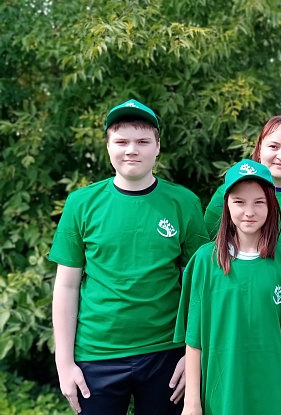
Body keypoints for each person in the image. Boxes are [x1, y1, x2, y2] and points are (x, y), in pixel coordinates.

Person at [49, 99, 209, 415]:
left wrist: (193, 356)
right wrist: (64, 362)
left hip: (167, 354)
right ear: (108, 146)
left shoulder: (183, 202)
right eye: (121, 142)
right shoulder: (81, 203)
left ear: (158, 147)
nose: (131, 150)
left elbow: (201, 286)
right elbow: (66, 286)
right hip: (97, 355)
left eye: (142, 142)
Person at [176, 159, 281, 415]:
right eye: (239, 202)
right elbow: (194, 339)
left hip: (271, 392)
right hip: (219, 394)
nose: (249, 212)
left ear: (271, 205)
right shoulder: (204, 261)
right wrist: (192, 402)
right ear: (227, 205)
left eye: (259, 202)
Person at [203, 116, 281, 381]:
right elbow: (206, 255)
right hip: (237, 316)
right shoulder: (227, 194)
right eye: (273, 146)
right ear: (259, 148)